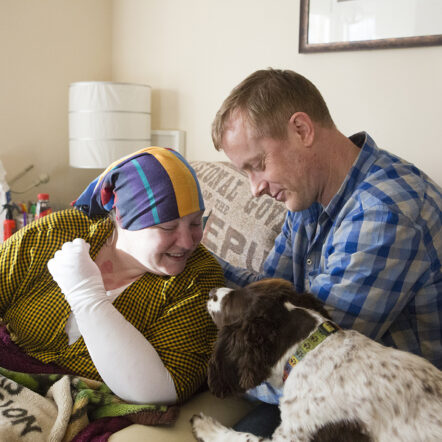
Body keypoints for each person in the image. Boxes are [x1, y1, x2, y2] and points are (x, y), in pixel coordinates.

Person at [211, 68, 442, 436]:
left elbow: (312, 360)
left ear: (301, 130)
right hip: (332, 400)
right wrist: (198, 263)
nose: (255, 188)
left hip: (391, 419)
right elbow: (267, 293)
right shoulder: (306, 199)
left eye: (258, 165)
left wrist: (211, 365)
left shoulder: (384, 213)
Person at [0, 146, 224, 405]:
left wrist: (85, 294)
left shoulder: (199, 278)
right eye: (168, 226)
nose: (187, 241)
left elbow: (161, 391)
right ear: (122, 216)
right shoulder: (57, 232)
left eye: (196, 223)